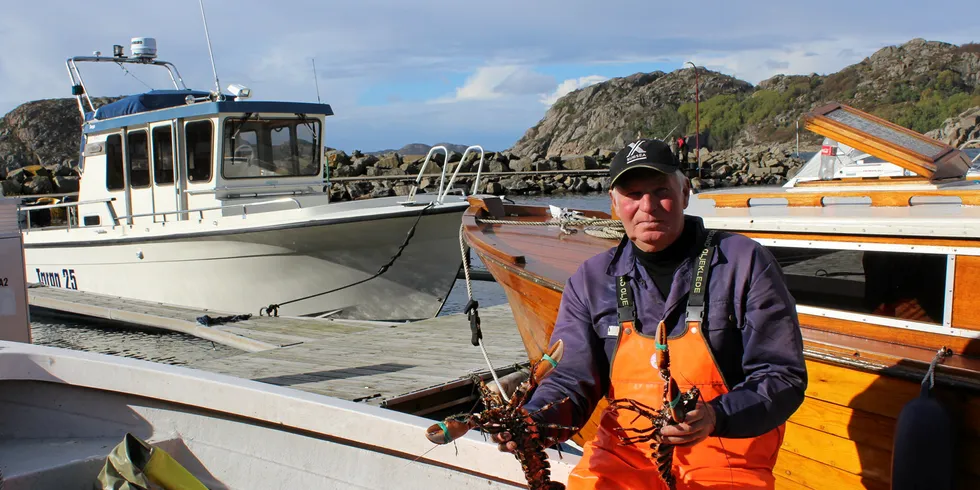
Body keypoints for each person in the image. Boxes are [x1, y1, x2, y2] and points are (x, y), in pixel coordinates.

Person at [493, 138, 807, 489]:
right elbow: (570, 381)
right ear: (613, 203)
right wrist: (536, 422)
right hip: (623, 460)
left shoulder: (744, 262)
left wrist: (716, 416)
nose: (648, 206)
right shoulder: (591, 280)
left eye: (661, 190)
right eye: (632, 194)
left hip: (726, 462)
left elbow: (782, 375)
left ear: (685, 192)